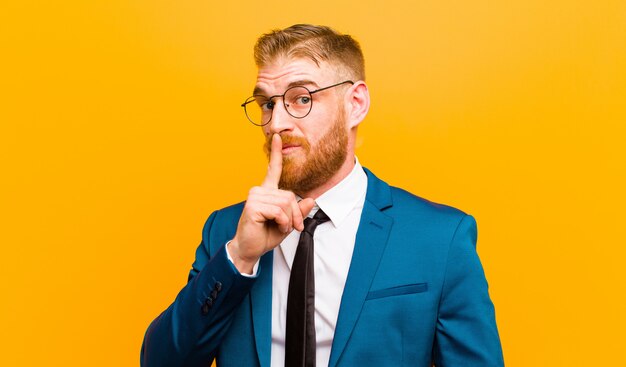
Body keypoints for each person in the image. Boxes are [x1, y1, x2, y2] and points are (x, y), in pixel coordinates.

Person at [140, 24, 504, 367]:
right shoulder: (226, 232)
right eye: (267, 104)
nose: (277, 123)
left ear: (356, 104)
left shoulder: (439, 238)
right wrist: (239, 256)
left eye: (301, 99)